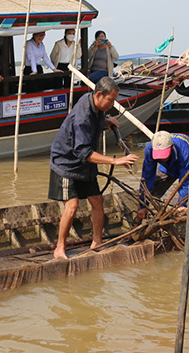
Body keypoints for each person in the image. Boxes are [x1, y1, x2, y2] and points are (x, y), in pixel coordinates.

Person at [49, 77, 138, 259]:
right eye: (111, 100)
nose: (112, 104)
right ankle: (59, 248)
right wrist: (115, 161)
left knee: (97, 201)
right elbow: (84, 152)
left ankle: (97, 242)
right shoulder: (82, 116)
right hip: (66, 164)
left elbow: (93, 125)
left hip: (84, 165)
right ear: (99, 94)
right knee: (72, 206)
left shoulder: (94, 104)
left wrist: (106, 121)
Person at [137, 131, 189, 222]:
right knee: (154, 187)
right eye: (159, 155)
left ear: (172, 146)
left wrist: (181, 205)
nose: (161, 158)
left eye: (163, 154)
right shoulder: (150, 149)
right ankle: (139, 218)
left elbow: (186, 181)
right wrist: (143, 204)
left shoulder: (184, 152)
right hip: (168, 164)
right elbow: (147, 176)